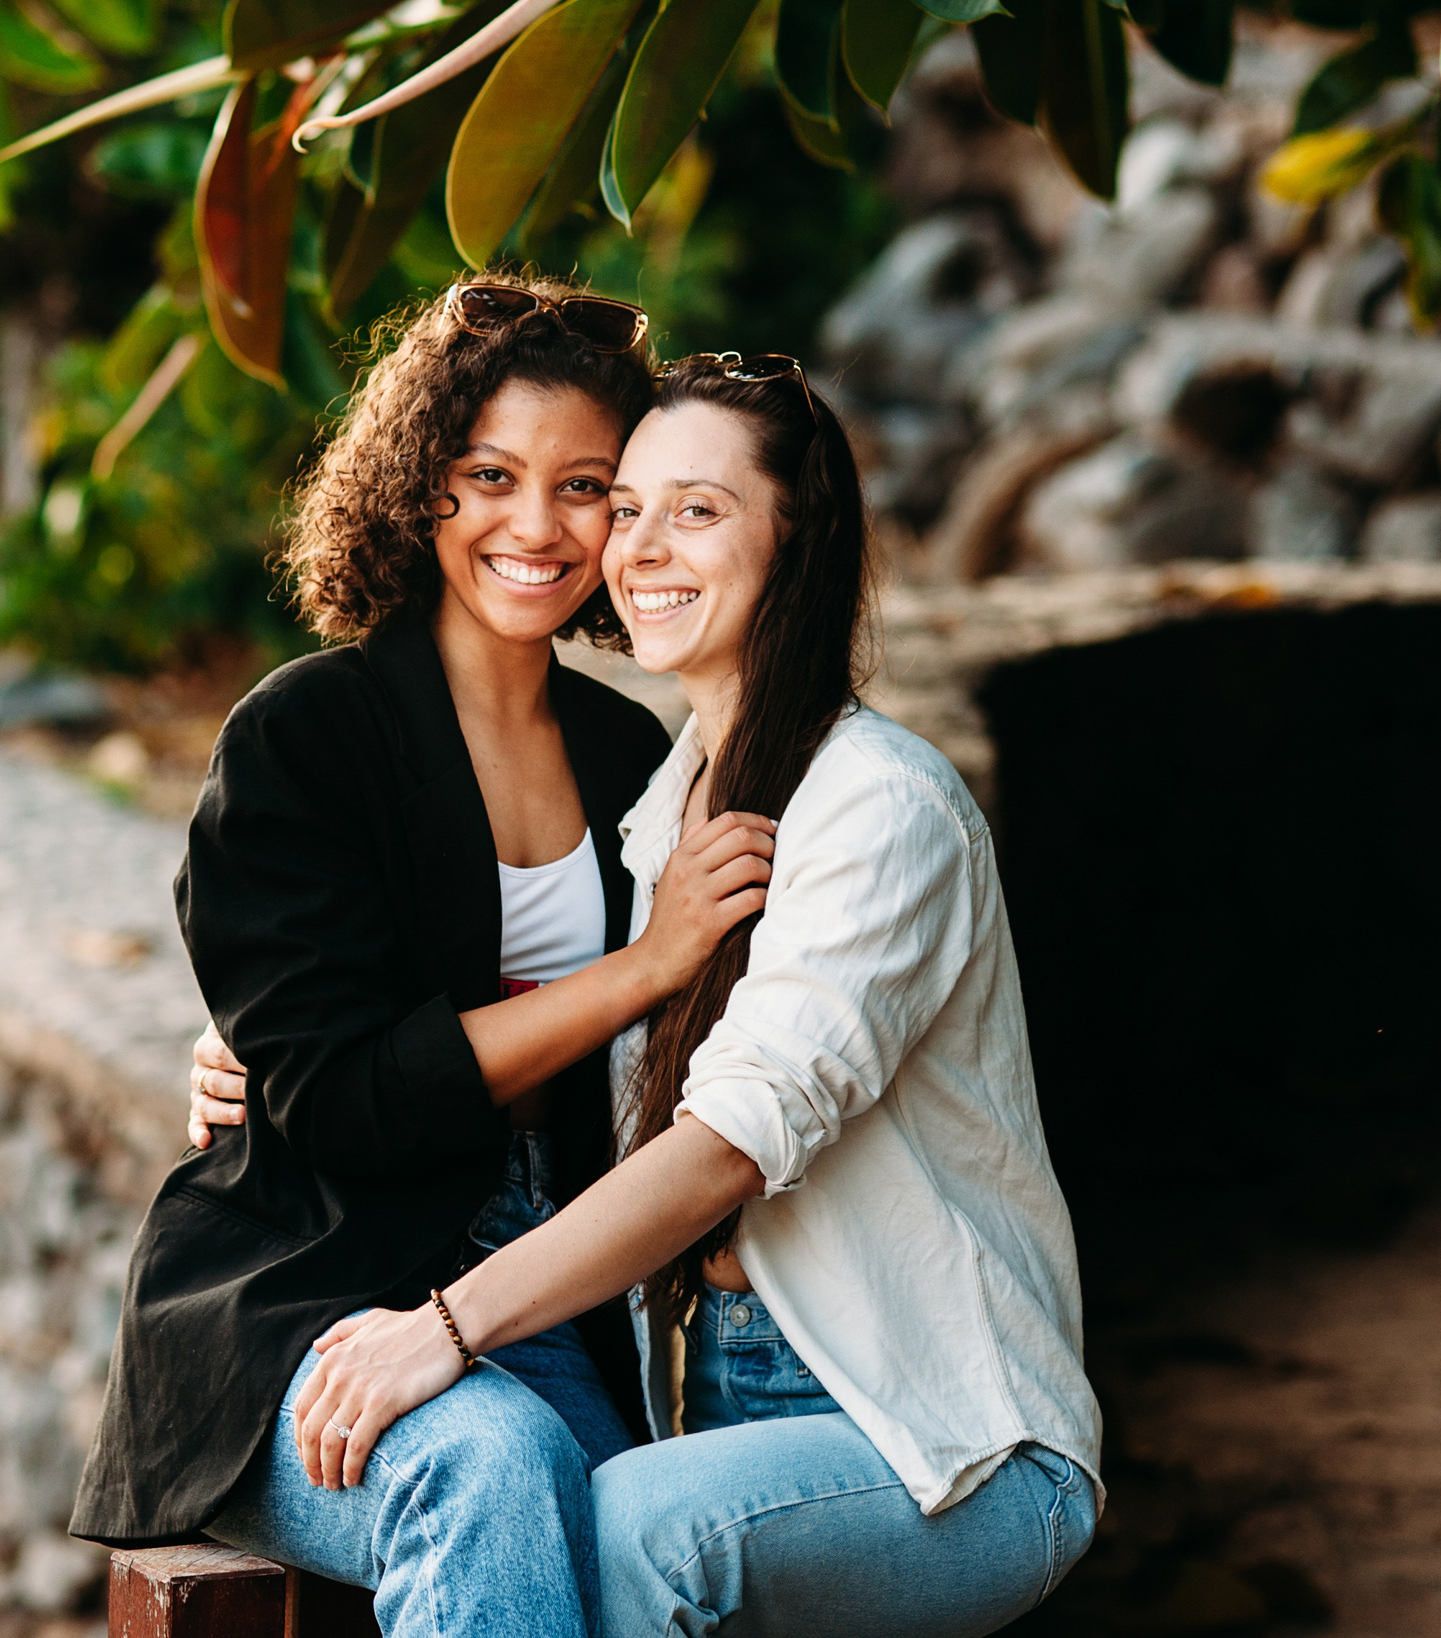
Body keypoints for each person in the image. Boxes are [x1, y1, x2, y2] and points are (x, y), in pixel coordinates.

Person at [193, 352, 1103, 1636]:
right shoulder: (657, 807)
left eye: (698, 508)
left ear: (799, 536)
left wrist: (445, 1327)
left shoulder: (873, 804)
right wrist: (268, 1042)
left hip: (938, 1425)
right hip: (720, 1410)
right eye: (631, 507)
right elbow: (466, 1008)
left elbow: (726, 1143)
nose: (635, 543)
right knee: (582, 1495)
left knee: (625, 1523)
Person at [67, 276, 781, 1638]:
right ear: (420, 487)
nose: (536, 524)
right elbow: (341, 1095)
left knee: (639, 1514)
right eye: (488, 475)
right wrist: (640, 964)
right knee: (490, 1462)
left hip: (553, 1277)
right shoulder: (304, 735)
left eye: (585, 486)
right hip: (302, 1288)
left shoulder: (639, 755)